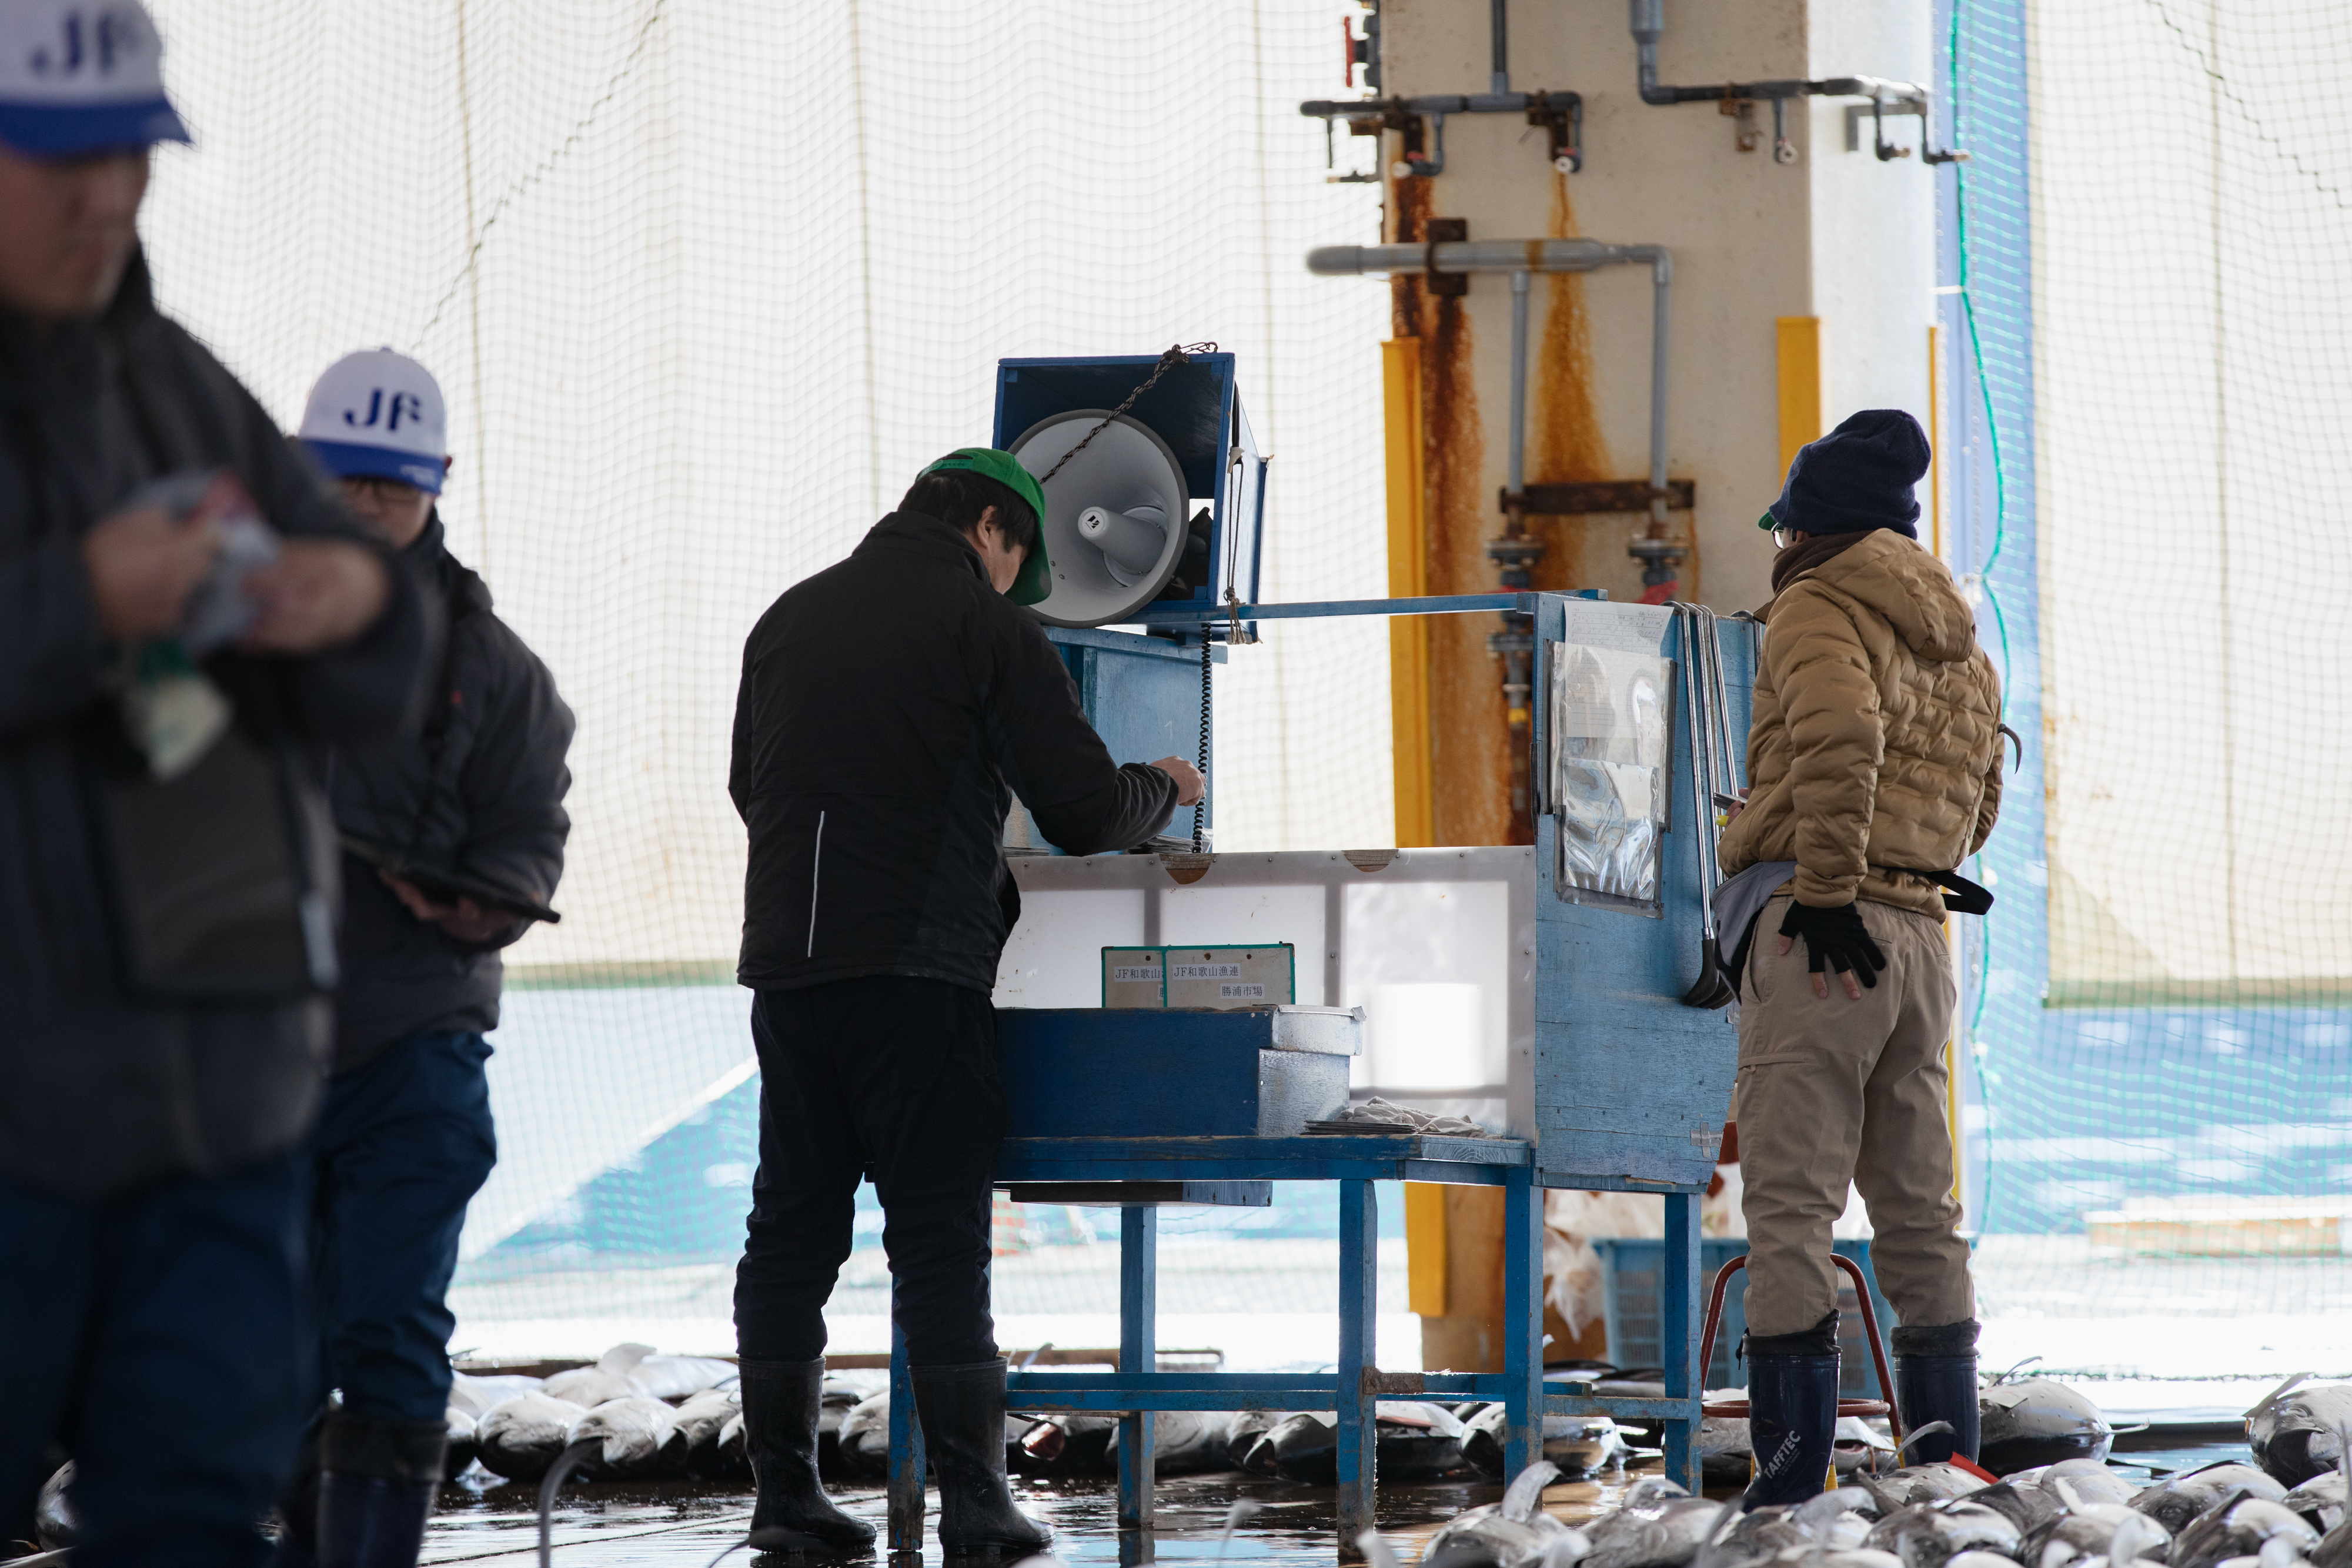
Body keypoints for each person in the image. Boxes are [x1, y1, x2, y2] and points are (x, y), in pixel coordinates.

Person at [0, 5, 435, 1563]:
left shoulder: (176, 382)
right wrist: (77, 602)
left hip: (213, 1113)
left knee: (196, 1516)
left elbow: (395, 660)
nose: (103, 195)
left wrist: (353, 603)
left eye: (128, 150)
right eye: (54, 155)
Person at [728, 450, 1200, 1555]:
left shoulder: (788, 618)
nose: (1011, 584)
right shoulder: (988, 629)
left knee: (791, 1230)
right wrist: (1166, 790)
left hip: (789, 974)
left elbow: (753, 786)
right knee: (937, 1238)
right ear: (993, 526)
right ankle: (978, 1506)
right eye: (1017, 563)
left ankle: (785, 1497)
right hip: (918, 974)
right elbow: (1083, 811)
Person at [273, 350, 573, 1567]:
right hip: (244, 1055)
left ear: (438, 480)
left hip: (414, 1050)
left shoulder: (502, 674)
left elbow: (527, 841)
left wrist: (481, 906)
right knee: (265, 1342)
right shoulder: (223, 628)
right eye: (343, 482)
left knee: (390, 1329)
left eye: (390, 488)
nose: (366, 507)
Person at [1713, 409, 2004, 1505]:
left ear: (1809, 520)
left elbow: (1842, 742)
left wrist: (1829, 892)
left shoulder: (1817, 606)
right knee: (1921, 1208)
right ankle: (1950, 1474)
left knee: (1792, 1206)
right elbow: (1980, 799)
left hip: (1824, 932)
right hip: (1926, 940)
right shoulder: (1958, 636)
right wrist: (1903, 872)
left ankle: (1791, 1481)